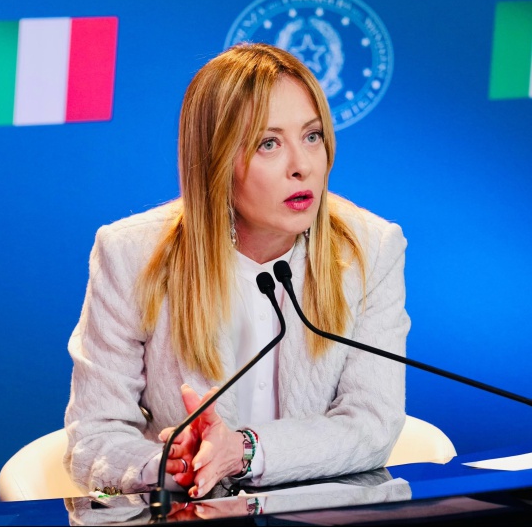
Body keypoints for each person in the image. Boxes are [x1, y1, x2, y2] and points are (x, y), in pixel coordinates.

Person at [64, 42, 410, 500]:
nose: (302, 166)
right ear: (217, 160)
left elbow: (371, 424)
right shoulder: (132, 254)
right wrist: (169, 465)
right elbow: (94, 435)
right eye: (269, 144)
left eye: (312, 136)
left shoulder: (370, 249)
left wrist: (244, 451)